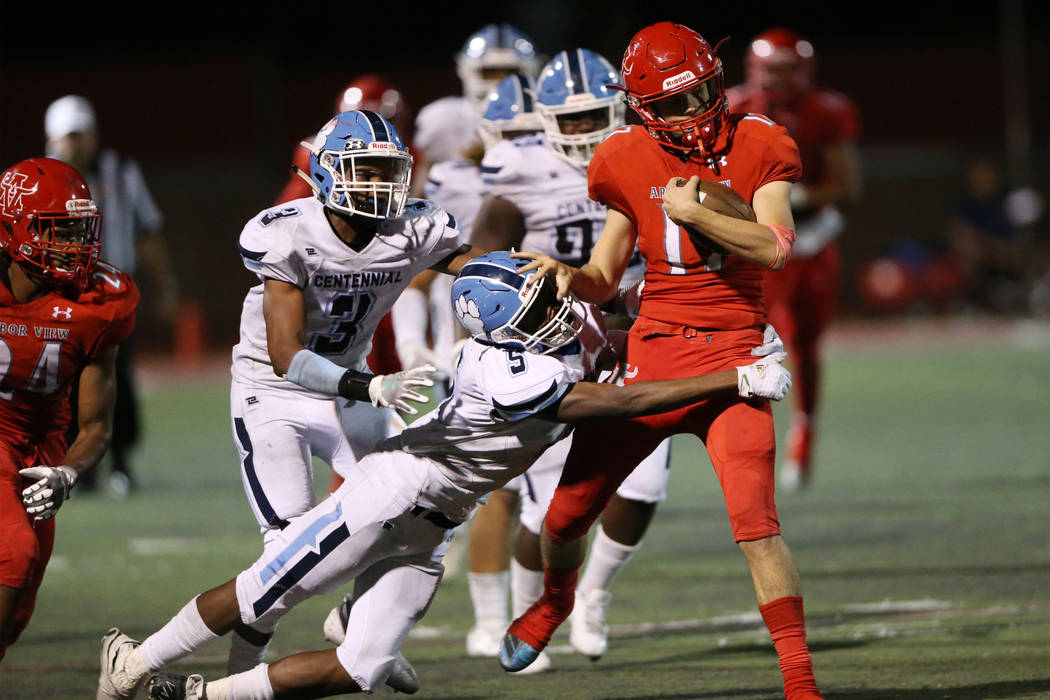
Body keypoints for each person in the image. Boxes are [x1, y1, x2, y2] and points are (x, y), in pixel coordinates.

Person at [96, 251, 791, 700]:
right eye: (538, 312)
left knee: (363, 668)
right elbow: (622, 399)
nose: (557, 314)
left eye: (547, 302)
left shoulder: (526, 338)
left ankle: (190, 698)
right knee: (262, 590)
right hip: (395, 491)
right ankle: (135, 659)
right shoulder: (507, 368)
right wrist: (735, 376)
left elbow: (620, 317)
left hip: (437, 523)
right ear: (501, 332)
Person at [500, 22, 824, 700]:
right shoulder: (622, 156)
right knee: (562, 519)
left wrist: (697, 211)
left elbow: (774, 247)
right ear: (644, 110)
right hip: (656, 351)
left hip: (738, 355)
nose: (696, 110)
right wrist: (564, 274)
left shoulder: (760, 139)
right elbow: (604, 273)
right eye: (676, 103)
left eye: (704, 91)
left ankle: (800, 681)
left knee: (758, 528)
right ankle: (555, 604)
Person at [218, 109, 480, 677]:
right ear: (331, 171)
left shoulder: (415, 226)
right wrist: (371, 384)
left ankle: (362, 629)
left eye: (390, 172)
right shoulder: (287, 231)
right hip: (275, 393)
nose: (383, 187)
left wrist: (543, 275)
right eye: (368, 171)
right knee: (286, 556)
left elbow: (482, 269)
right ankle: (241, 673)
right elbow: (287, 357)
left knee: (416, 517)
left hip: (351, 389)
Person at [463, 51, 675, 669]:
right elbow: (483, 255)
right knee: (548, 506)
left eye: (593, 118)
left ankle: (594, 596)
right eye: (570, 120)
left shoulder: (649, 155)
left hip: (635, 336)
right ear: (547, 118)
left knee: (642, 488)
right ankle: (528, 618)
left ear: (619, 111)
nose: (582, 133)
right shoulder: (520, 165)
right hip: (548, 347)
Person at [0, 158, 138, 662]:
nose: (75, 245)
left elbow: (97, 423)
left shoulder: (98, 304)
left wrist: (68, 472)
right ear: (12, 231)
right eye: (57, 231)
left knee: (15, 611)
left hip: (42, 445)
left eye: (80, 230)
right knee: (15, 556)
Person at [727, 28, 862, 492]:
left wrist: (795, 193)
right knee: (751, 340)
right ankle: (745, 441)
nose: (778, 81)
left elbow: (847, 184)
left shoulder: (827, 111)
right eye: (772, 71)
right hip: (756, 240)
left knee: (803, 344)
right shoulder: (733, 107)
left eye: (788, 71)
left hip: (809, 240)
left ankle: (804, 428)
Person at [44, 94, 177, 499]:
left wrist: (165, 284)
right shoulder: (40, 178)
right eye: (71, 135)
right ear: (53, 138)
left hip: (108, 294)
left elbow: (148, 229)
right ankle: (74, 464)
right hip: (57, 295)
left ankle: (120, 462)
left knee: (117, 378)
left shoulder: (121, 173)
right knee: (59, 381)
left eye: (84, 133)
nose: (79, 142)